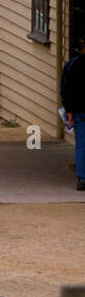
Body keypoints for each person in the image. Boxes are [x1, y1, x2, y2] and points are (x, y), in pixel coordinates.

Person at [60, 39, 85, 191]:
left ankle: (82, 178)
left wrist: (68, 110)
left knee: (82, 144)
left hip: (78, 110)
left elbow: (65, 89)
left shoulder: (71, 65)